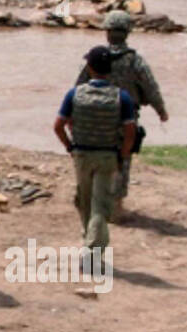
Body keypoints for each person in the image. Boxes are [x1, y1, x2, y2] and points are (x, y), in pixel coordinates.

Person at [74, 10, 169, 218]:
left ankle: (91, 202)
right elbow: (150, 87)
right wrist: (161, 111)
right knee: (122, 160)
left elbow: (77, 89)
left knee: (93, 155)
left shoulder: (95, 58)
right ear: (127, 32)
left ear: (107, 32)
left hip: (94, 116)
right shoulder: (135, 61)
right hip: (125, 116)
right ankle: (115, 206)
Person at [54, 46, 138, 257]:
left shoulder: (75, 94)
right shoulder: (122, 98)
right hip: (108, 156)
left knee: (84, 200)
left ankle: (89, 244)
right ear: (109, 69)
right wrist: (123, 155)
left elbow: (58, 126)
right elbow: (130, 132)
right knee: (100, 204)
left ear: (89, 68)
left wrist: (70, 147)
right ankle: (93, 249)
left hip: (82, 155)